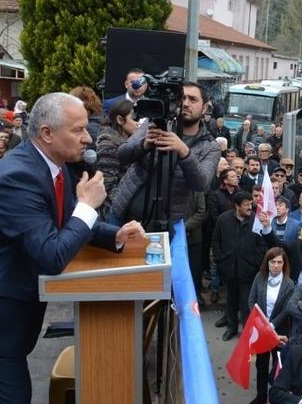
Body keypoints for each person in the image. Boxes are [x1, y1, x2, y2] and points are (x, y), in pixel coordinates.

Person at [0, 92, 146, 402]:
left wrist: (115, 235)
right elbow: (52, 255)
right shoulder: (18, 178)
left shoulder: (52, 165)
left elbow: (66, 218)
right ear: (47, 133)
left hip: (3, 315)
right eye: (78, 130)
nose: (87, 138)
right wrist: (88, 206)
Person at [111, 81, 220, 228]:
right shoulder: (155, 124)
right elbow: (121, 155)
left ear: (204, 108)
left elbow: (201, 184)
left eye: (193, 99)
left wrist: (184, 152)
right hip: (125, 213)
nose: (186, 104)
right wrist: (144, 145)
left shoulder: (210, 146)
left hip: (168, 225)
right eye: (182, 98)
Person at [212, 191, 278, 341]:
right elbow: (215, 241)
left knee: (246, 304)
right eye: (246, 205)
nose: (249, 207)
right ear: (237, 206)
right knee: (231, 301)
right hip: (229, 269)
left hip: (248, 271)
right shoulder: (223, 219)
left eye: (250, 204)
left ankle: (248, 333)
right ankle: (231, 328)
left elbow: (262, 245)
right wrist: (220, 260)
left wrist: (255, 263)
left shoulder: (256, 221)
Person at [248, 248, 295, 404]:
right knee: (261, 364)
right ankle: (261, 396)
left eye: (279, 262)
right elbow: (251, 301)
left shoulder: (289, 283)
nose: (275, 265)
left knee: (277, 365)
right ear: (267, 263)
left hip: (279, 331)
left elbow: (287, 310)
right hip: (261, 330)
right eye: (272, 262)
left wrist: (272, 325)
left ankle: (275, 397)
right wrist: (260, 323)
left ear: (284, 264)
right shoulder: (259, 277)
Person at [95, 99, 137, 223]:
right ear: (120, 119)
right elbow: (107, 184)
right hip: (112, 211)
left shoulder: (128, 140)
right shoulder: (108, 145)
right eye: (134, 118)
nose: (138, 123)